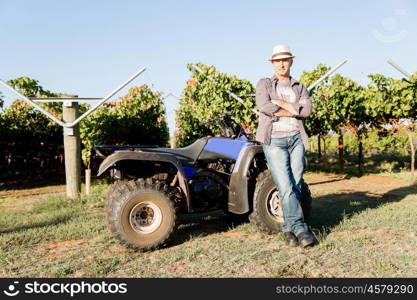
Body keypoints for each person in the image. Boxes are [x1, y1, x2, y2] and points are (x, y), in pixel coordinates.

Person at [255, 45, 315, 248]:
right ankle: (300, 228)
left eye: (285, 60)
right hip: (274, 140)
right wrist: (292, 108)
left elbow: (306, 111)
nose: (281, 63)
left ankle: (288, 229)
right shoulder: (264, 84)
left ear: (291, 62)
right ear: (272, 63)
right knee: (285, 186)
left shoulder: (299, 86)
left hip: (296, 138)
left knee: (296, 185)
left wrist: (280, 104)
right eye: (277, 60)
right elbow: (265, 106)